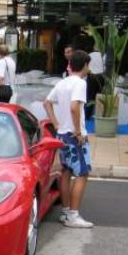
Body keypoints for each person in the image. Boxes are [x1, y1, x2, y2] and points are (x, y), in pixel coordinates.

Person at [43, 50, 93, 228]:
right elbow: (74, 107)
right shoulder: (79, 83)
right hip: (74, 136)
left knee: (66, 172)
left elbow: (47, 102)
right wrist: (78, 131)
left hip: (62, 134)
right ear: (85, 65)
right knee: (83, 173)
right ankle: (73, 215)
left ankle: (66, 212)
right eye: (88, 65)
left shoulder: (62, 83)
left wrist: (56, 124)